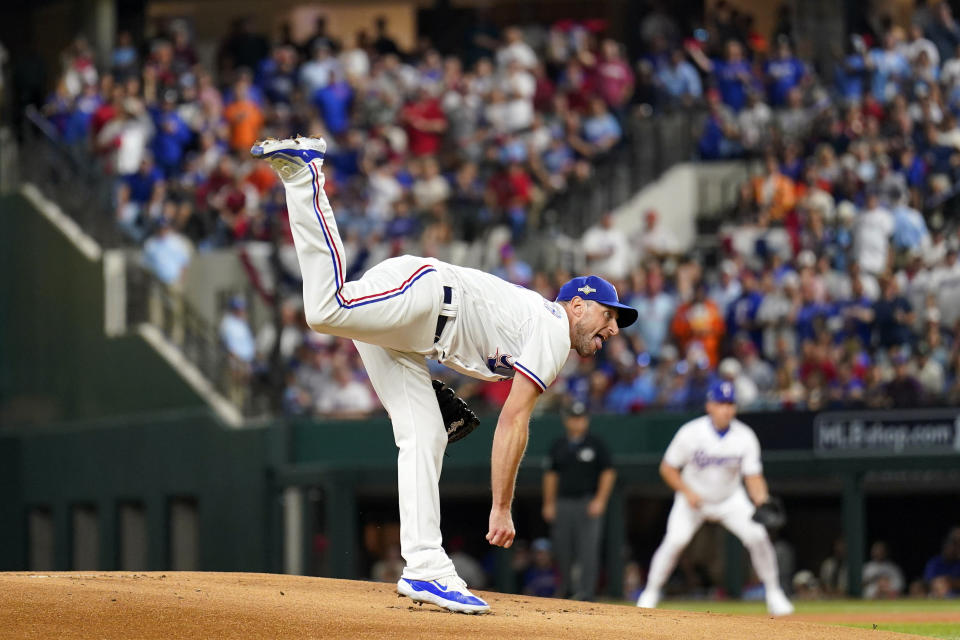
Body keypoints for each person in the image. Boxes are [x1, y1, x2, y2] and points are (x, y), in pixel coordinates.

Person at [252, 136, 638, 614]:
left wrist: (444, 388)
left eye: (619, 322)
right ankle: (306, 175)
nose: (614, 328)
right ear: (577, 305)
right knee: (327, 309)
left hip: (419, 332)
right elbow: (514, 421)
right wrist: (501, 506)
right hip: (429, 298)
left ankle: (425, 568)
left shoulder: (537, 326)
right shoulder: (556, 328)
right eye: (609, 314)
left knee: (424, 434)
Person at [636, 381, 795, 616]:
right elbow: (667, 468)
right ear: (710, 405)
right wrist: (686, 492)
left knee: (758, 537)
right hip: (693, 498)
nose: (726, 409)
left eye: (730, 404)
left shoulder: (745, 436)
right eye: (721, 403)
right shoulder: (691, 433)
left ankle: (774, 593)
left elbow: (753, 477)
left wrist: (761, 500)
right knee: (675, 541)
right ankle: (650, 592)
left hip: (730, 499)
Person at [541, 401, 617, 601]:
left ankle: (586, 593)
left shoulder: (595, 443)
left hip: (587, 502)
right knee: (562, 548)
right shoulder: (559, 444)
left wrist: (600, 500)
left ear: (587, 420)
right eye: (574, 419)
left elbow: (608, 472)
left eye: (581, 418)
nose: (578, 423)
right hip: (563, 502)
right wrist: (549, 503)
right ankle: (566, 589)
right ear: (567, 421)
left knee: (588, 550)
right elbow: (551, 475)